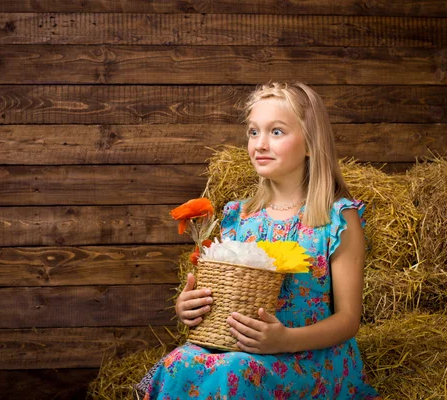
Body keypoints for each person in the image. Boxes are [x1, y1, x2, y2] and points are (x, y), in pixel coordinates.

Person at [138, 82, 381, 399]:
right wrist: (191, 308)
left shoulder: (336, 219)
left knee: (235, 371)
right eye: (254, 132)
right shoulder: (239, 217)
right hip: (245, 350)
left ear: (310, 144)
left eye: (276, 132)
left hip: (310, 358)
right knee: (180, 360)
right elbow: (225, 302)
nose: (260, 144)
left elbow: (348, 320)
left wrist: (285, 341)